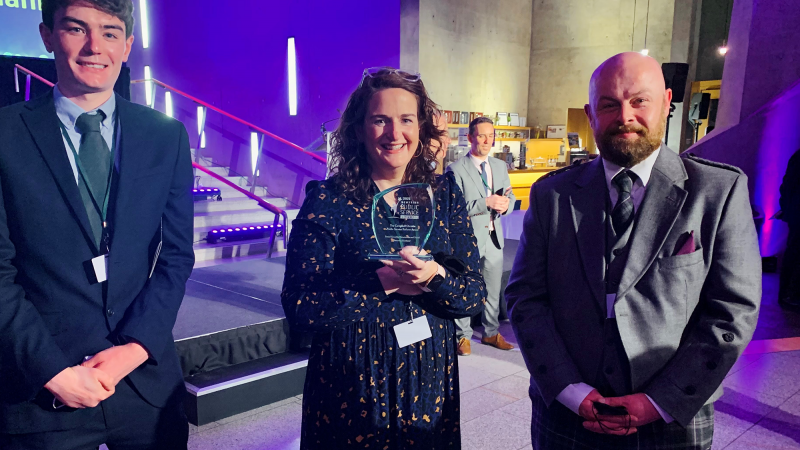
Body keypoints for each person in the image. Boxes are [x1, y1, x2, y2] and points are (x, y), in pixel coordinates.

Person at [506, 52, 761, 449]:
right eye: (609, 104)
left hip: (673, 415)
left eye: (639, 100)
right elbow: (525, 299)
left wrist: (659, 402)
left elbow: (732, 311)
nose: (624, 115)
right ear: (591, 114)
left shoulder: (717, 192)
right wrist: (570, 389)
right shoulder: (551, 195)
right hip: (567, 413)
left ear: (666, 102)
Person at [0, 0, 195, 448]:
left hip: (143, 380)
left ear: (127, 46)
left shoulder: (165, 136)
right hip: (41, 390)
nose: (94, 47)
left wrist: (135, 348)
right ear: (48, 36)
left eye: (109, 32)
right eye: (76, 29)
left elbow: (177, 256)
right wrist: (51, 370)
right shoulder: (6, 135)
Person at [280, 67, 486, 449]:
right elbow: (300, 306)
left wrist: (433, 277)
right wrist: (383, 281)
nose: (395, 134)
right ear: (359, 129)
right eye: (380, 120)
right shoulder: (329, 199)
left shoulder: (444, 195)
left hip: (428, 379)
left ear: (421, 127)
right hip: (352, 381)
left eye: (406, 119)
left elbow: (472, 294)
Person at [446, 116, 516, 355]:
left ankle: (490, 333)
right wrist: (485, 203)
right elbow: (452, 210)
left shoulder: (499, 166)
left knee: (493, 288)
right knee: (465, 287)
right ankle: (462, 336)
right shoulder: (455, 170)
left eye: (491, 135)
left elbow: (511, 197)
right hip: (468, 240)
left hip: (495, 238)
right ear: (470, 138)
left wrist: (506, 204)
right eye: (482, 135)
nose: (487, 140)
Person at [780, 148, 800, 309]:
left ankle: (790, 294)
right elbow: (787, 186)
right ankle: (789, 294)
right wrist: (787, 209)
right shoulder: (798, 157)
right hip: (797, 213)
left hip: (795, 211)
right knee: (795, 253)